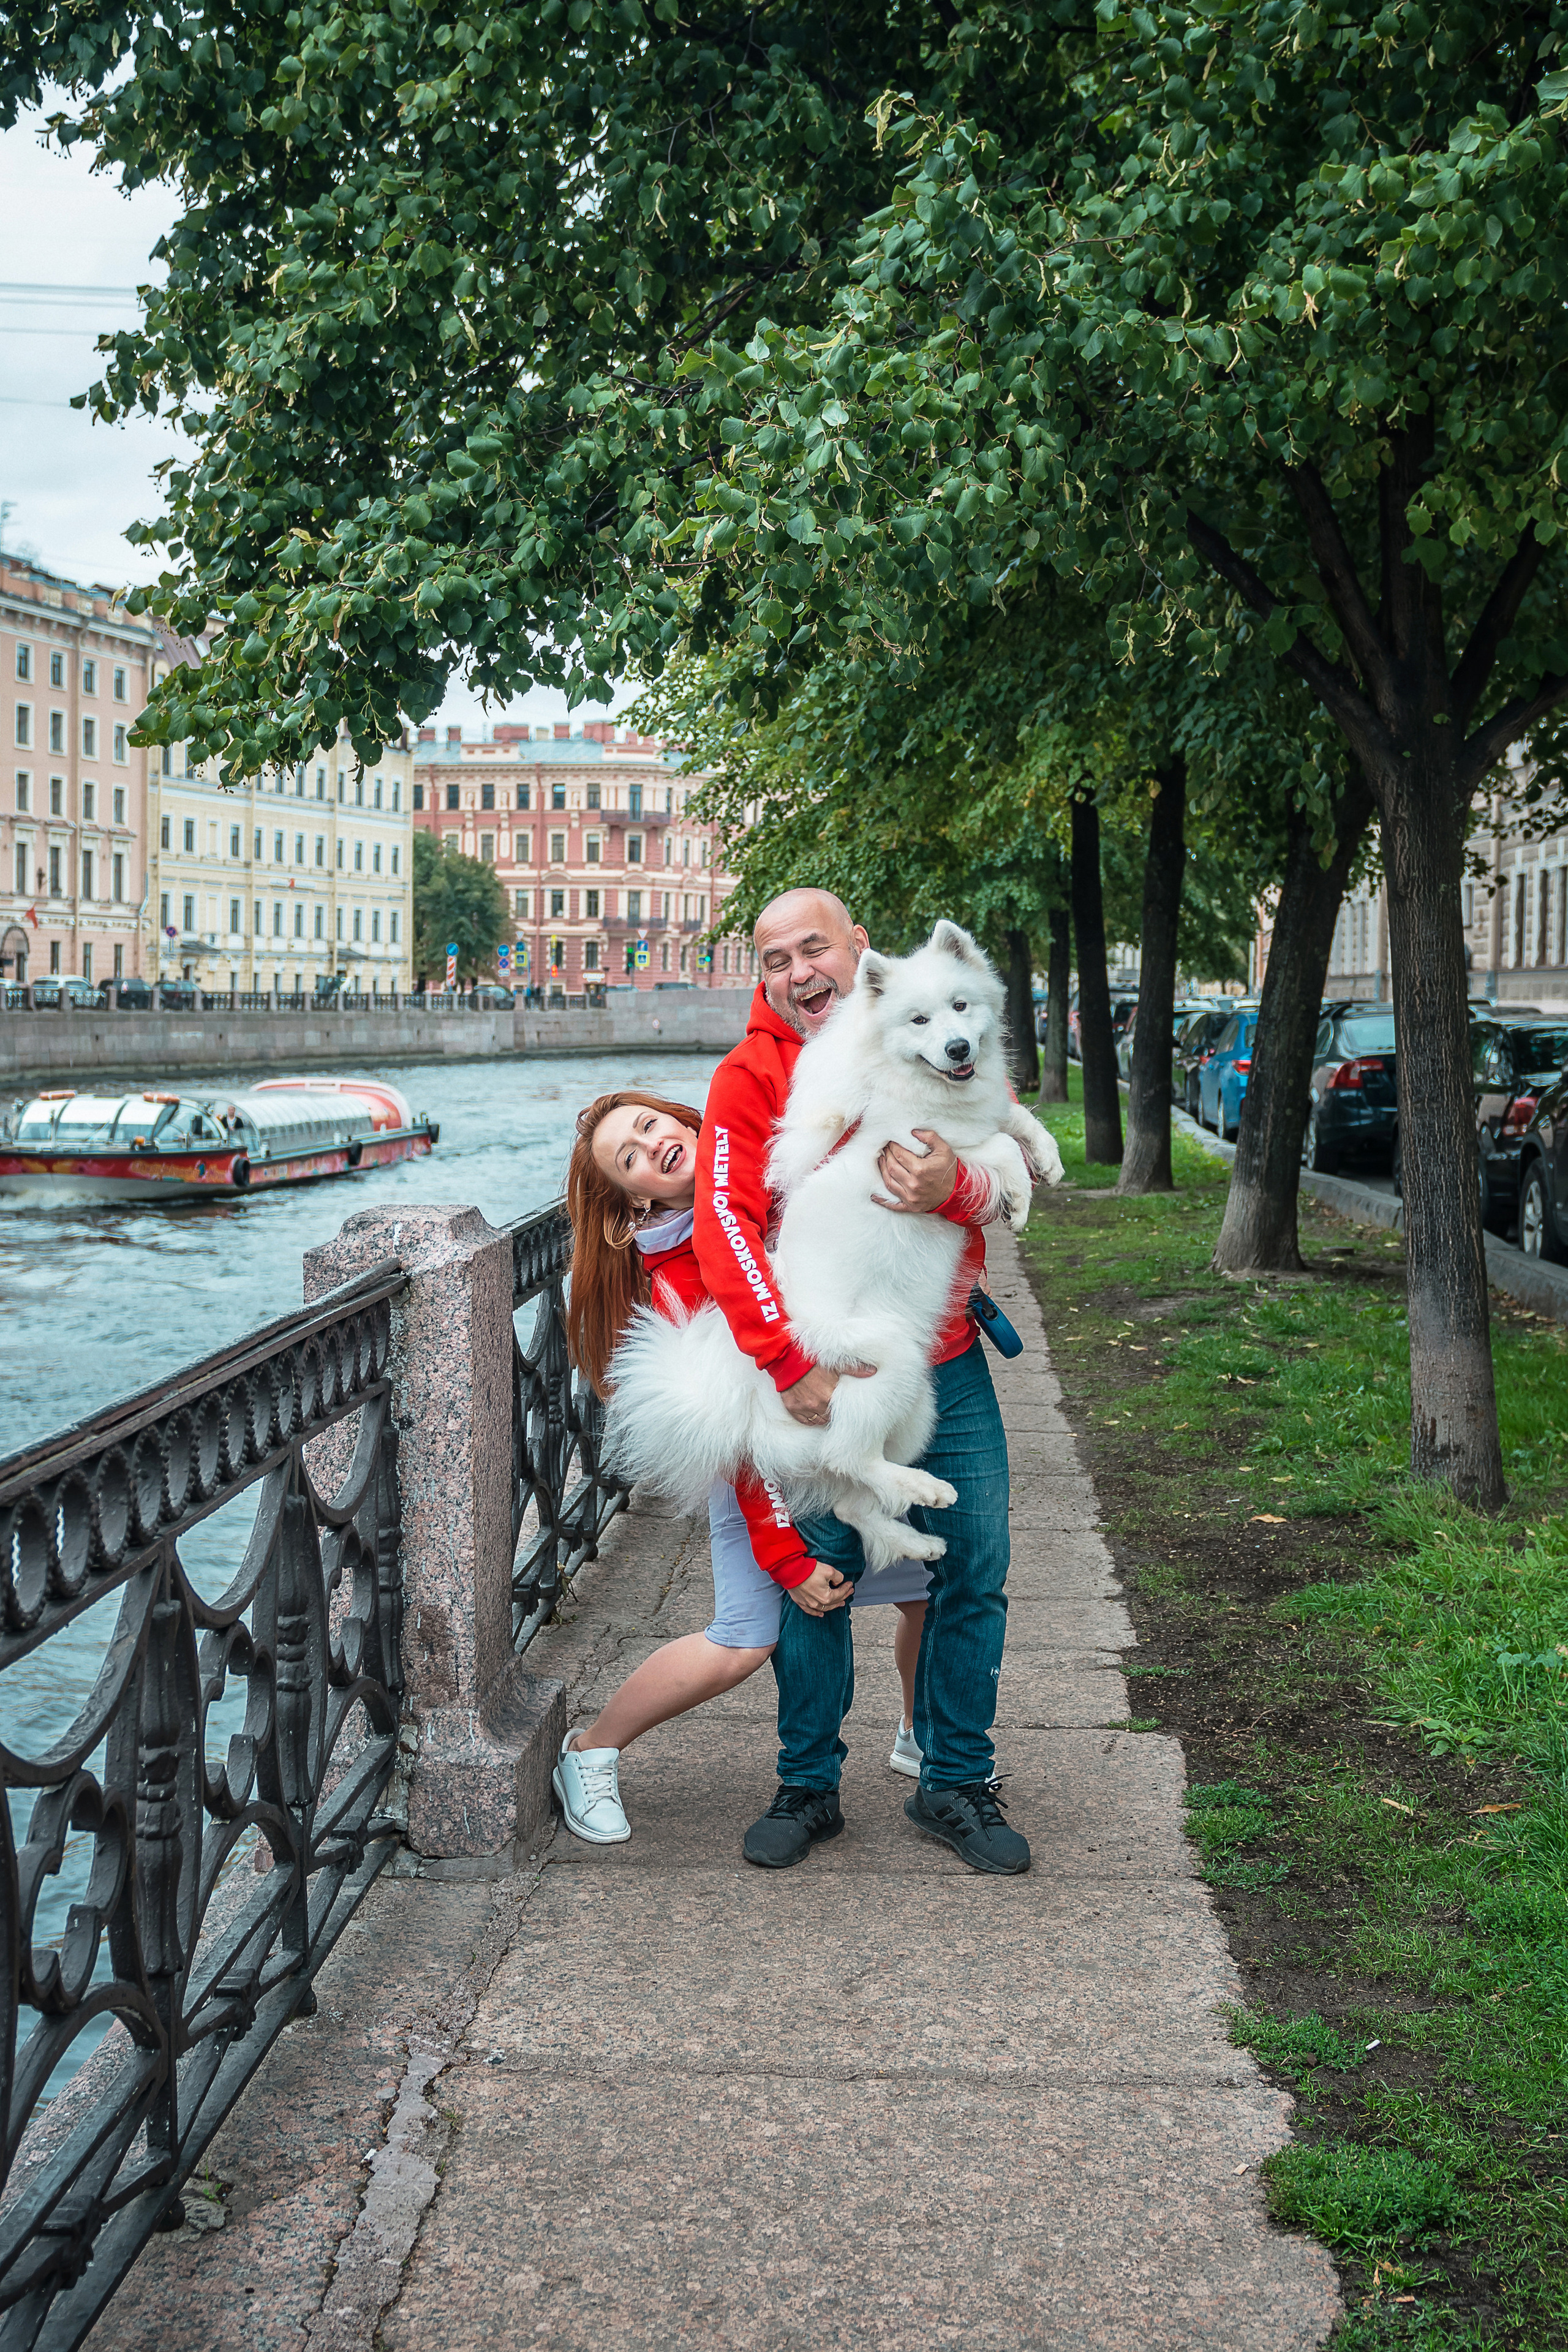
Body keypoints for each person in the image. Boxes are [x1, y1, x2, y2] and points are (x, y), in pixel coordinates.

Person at [692, 889, 1031, 1876]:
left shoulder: (931, 1034)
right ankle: (808, 1782)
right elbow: (725, 1227)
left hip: (948, 1357)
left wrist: (958, 1185)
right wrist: (789, 1367)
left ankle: (956, 1781)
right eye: (773, 958)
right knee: (813, 1577)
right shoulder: (748, 1077)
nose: (798, 971)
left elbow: (995, 1171)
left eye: (814, 948)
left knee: (976, 1568)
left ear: (859, 952)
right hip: (820, 1362)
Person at [552, 1088, 930, 1845]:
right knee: (741, 1642)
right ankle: (588, 1752)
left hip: (840, 1456)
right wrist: (784, 1555)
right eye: (630, 1157)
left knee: (924, 1593)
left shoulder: (763, 1182)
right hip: (761, 1487)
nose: (653, 1145)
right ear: (633, 1206)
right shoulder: (683, 1281)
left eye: (653, 1125)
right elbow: (739, 1442)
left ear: (689, 1122)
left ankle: (918, 1733)